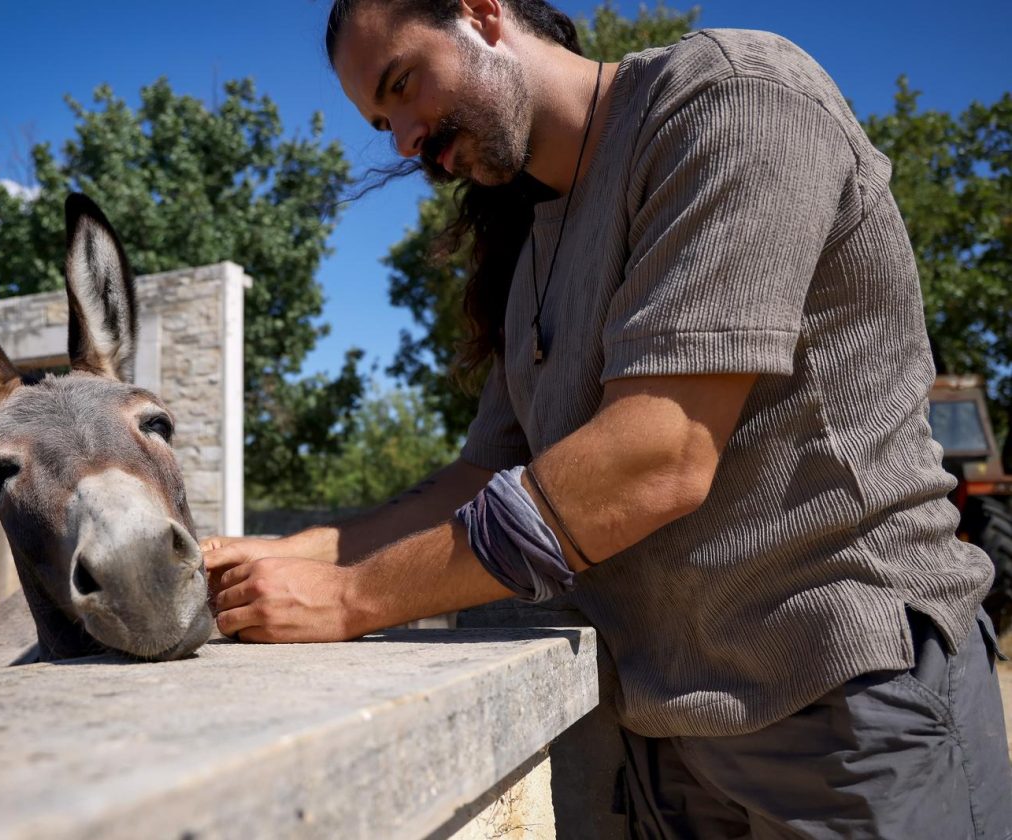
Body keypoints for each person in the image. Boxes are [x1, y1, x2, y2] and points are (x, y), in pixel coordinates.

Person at [206, 0, 1012, 834]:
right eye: (383, 122)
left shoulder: (728, 98)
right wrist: (288, 555)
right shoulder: (535, 259)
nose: (406, 139)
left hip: (851, 704)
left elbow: (655, 458)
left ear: (483, 14)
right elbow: (478, 478)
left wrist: (348, 596)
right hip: (670, 741)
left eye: (403, 84)